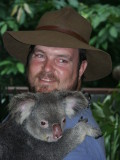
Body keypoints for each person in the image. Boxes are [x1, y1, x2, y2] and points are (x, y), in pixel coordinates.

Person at [3, 7, 112, 160]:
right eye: (40, 55)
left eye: (62, 60)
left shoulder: (76, 150)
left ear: (81, 69)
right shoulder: (31, 109)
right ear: (28, 59)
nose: (47, 68)